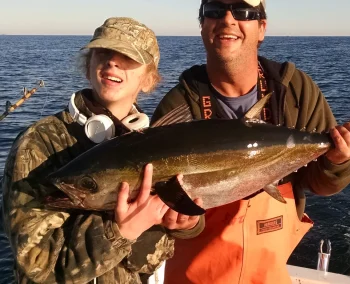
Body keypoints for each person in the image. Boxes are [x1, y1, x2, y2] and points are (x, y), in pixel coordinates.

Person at [150, 0, 350, 283]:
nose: (228, 19)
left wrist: (339, 159)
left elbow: (320, 183)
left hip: (270, 270)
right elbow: (160, 208)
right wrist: (184, 225)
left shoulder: (293, 90)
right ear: (202, 24)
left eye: (243, 12)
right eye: (215, 11)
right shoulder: (178, 106)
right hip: (196, 272)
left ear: (261, 28)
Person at [1, 17, 204, 284]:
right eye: (104, 52)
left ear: (149, 79)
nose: (112, 62)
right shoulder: (39, 144)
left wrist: (185, 225)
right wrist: (118, 230)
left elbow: (148, 260)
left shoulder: (159, 146)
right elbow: (38, 264)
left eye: (128, 57)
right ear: (89, 65)